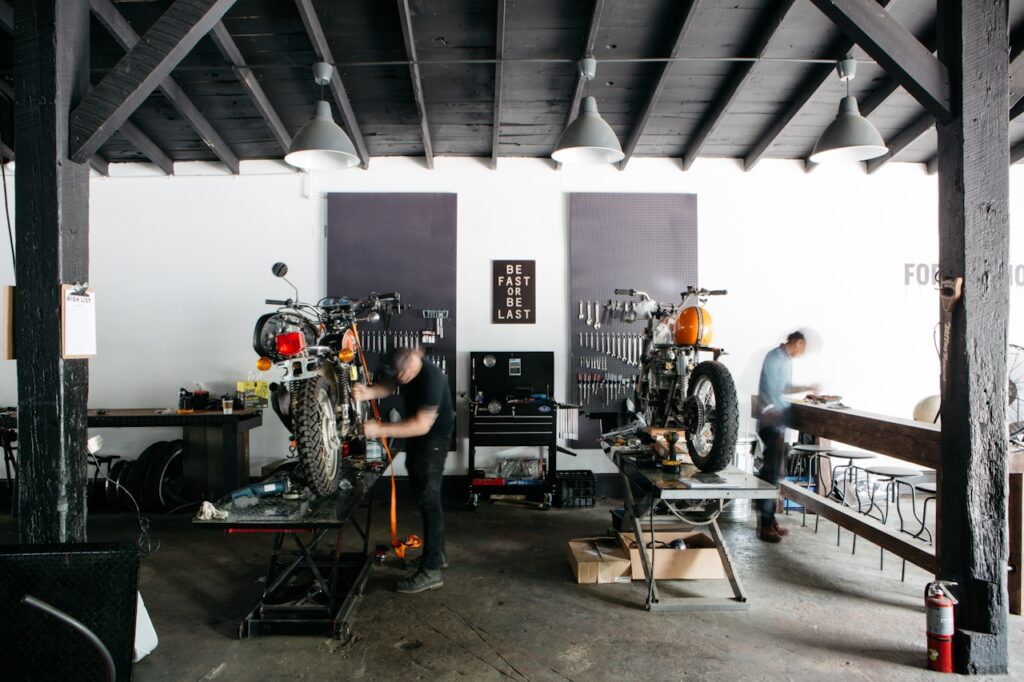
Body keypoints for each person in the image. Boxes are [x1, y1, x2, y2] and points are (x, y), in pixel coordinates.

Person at [353, 346, 455, 593]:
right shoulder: (405, 368)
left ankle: (431, 571)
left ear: (412, 363)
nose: (402, 380)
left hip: (433, 440)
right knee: (423, 497)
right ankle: (436, 555)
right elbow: (388, 386)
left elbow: (420, 425)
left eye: (404, 375)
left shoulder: (432, 378)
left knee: (429, 502)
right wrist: (367, 392)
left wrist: (379, 429)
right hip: (421, 439)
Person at [755, 331, 818, 543]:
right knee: (771, 473)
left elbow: (783, 388)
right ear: (798, 342)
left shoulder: (784, 360)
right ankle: (764, 524)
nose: (803, 352)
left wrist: (807, 388)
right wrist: (775, 418)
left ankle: (769, 519)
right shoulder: (775, 357)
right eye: (804, 348)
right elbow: (771, 392)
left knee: (774, 473)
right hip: (771, 421)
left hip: (776, 421)